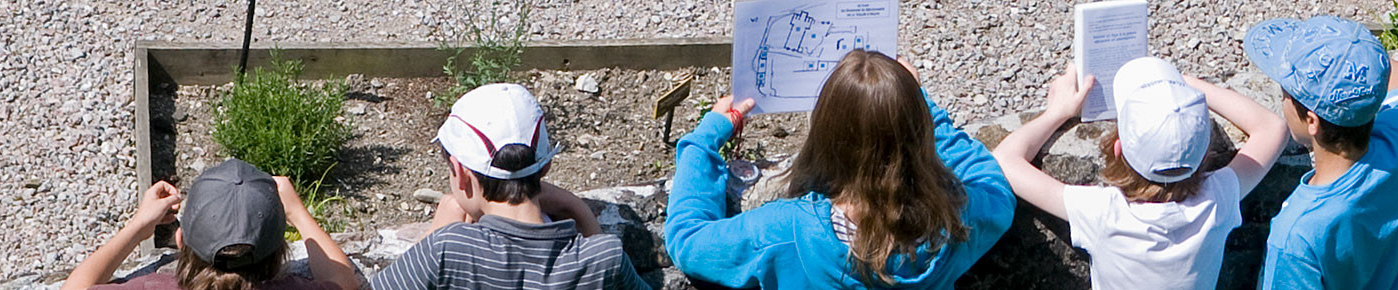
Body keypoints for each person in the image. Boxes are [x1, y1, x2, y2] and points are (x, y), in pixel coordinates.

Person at [663, 49, 1014, 289]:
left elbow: (688, 240)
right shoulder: (959, 221)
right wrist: (917, 102)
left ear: (825, 138)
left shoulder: (785, 231)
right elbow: (991, 180)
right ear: (919, 137)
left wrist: (703, 141)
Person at [990, 57, 1289, 289]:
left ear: (1118, 150)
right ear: (1205, 157)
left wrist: (1057, 111)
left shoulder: (1103, 213)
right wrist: (1186, 88)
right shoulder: (1217, 200)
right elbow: (1272, 127)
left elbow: (1006, 158)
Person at [368, 84, 648, 289]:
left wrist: (434, 233)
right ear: (545, 167)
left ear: (461, 173)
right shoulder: (604, 258)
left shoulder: (448, 249)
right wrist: (577, 209)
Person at [1244, 16, 1398, 289]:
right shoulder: (1397, 142)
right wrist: (1353, 55)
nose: (1282, 100)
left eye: (1285, 93)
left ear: (1312, 121)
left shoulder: (1296, 236)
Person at [61, 159, 361, 290]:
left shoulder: (150, 287)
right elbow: (345, 282)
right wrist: (297, 212)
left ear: (180, 239)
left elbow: (75, 288)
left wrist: (139, 228)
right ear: (280, 250)